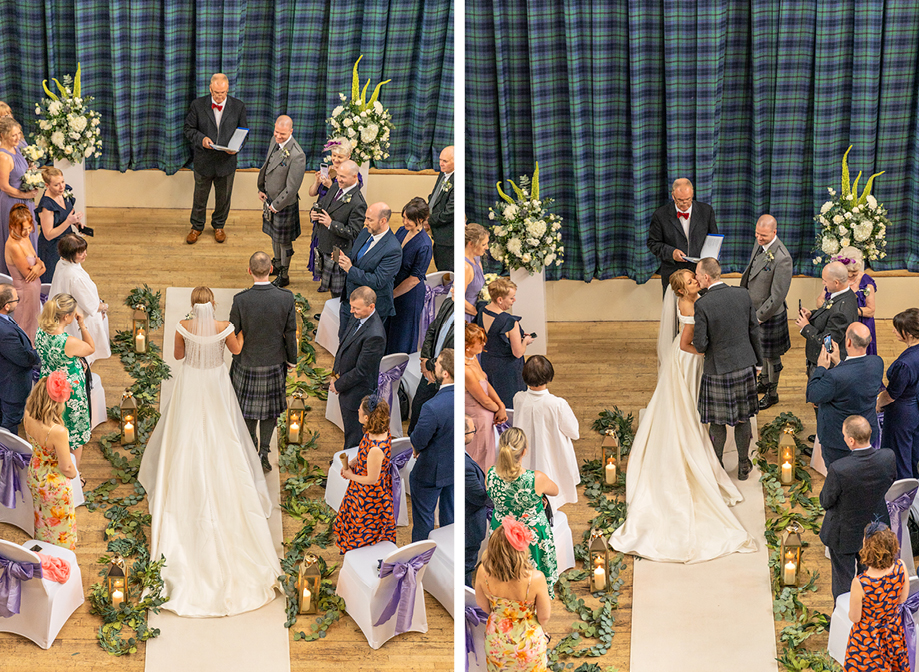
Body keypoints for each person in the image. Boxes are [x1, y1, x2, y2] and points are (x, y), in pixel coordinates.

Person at [138, 287, 281, 616]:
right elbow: (237, 349)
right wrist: (239, 333)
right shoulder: (225, 328)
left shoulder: (182, 327)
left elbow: (178, 357)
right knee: (223, 432)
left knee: (185, 431)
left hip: (191, 382)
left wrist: (193, 346)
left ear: (193, 305)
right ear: (213, 304)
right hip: (216, 383)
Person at [611, 270, 756, 562]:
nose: (695, 282)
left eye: (694, 278)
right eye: (690, 281)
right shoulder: (688, 306)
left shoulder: (699, 299)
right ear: (680, 291)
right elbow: (686, 344)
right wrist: (708, 354)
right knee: (689, 406)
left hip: (695, 357)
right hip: (689, 359)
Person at [693, 258, 762, 479]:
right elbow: (754, 330)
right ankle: (743, 465)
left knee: (717, 422)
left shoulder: (702, 304)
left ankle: (718, 466)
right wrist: (759, 362)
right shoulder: (742, 294)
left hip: (718, 369)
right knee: (743, 418)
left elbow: (701, 344)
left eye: (697, 275)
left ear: (706, 277)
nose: (695, 278)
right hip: (744, 365)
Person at [229, 253, 298, 472]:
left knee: (247, 410)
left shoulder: (241, 300)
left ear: (249, 271)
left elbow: (233, 331)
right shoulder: (286, 297)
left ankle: (251, 449)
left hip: (246, 363)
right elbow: (290, 332)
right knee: (270, 412)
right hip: (274, 362)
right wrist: (292, 360)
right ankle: (264, 454)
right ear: (271, 270)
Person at [819, 416, 896, 601]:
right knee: (869, 580)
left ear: (851, 440)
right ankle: (866, 611)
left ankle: (844, 615)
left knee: (843, 583)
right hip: (875, 528)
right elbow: (890, 481)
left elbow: (826, 501)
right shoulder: (888, 457)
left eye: (844, 435)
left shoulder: (839, 469)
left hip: (844, 532)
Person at [486, 428, 559, 598]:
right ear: (524, 451)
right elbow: (555, 490)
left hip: (501, 532)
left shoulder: (490, 473)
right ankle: (537, 598)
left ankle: (504, 595)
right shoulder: (536, 478)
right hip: (530, 536)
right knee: (533, 577)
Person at [474, 516, 551, 672]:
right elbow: (544, 617)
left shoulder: (482, 571)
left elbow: (483, 605)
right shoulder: (535, 578)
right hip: (529, 646)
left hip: (497, 642)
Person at [806, 323, 883, 467]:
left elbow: (813, 394)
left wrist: (821, 367)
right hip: (866, 432)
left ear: (848, 342)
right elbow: (853, 380)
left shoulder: (834, 376)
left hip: (839, 440)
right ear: (869, 340)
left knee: (839, 475)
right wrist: (839, 362)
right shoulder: (877, 363)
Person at [183, 73, 248, 244]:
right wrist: (201, 139)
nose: (220, 97)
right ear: (210, 89)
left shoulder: (238, 106)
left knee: (223, 198)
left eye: (223, 93)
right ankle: (196, 227)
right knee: (199, 197)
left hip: (226, 162)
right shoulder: (197, 105)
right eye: (217, 93)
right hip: (204, 161)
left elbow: (244, 132)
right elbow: (189, 129)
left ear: (228, 89)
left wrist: (237, 147)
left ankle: (219, 226)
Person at [739, 214, 793, 409]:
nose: (759, 238)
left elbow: (777, 296)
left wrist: (759, 317)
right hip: (753, 309)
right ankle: (763, 381)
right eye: (757, 233)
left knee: (772, 356)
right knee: (760, 350)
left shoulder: (783, 258)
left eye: (763, 235)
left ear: (774, 232)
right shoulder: (760, 242)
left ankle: (772, 393)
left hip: (769, 314)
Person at [512, 355, 580, 509]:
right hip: (552, 457)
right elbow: (574, 432)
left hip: (525, 459)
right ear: (549, 375)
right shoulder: (557, 404)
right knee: (551, 497)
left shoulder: (518, 398)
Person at [333, 394, 397, 553]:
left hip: (369, 496)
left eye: (360, 410)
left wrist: (350, 475)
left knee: (361, 528)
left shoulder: (376, 449)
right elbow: (363, 451)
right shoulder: (374, 430)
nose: (357, 410)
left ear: (367, 417)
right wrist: (353, 462)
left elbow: (372, 479)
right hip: (359, 487)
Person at [36, 294, 93, 469]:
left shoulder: (40, 331)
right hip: (68, 391)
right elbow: (90, 348)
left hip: (47, 385)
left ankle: (54, 460)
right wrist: (82, 325)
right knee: (75, 434)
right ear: (67, 317)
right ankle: (74, 475)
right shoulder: (68, 341)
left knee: (53, 424)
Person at [23, 372, 78, 550]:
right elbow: (66, 466)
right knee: (60, 529)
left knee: (42, 520)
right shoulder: (57, 431)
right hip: (54, 485)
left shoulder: (27, 414)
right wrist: (75, 473)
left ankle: (43, 552)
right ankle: (62, 556)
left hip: (35, 473)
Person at [845, 522, 909, 672]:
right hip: (893, 633)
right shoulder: (901, 566)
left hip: (869, 640)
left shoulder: (861, 582)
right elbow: (902, 599)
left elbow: (855, 617)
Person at [337, 201, 402, 342]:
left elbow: (377, 281)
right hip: (350, 300)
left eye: (369, 219)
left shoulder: (393, 249)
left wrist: (350, 269)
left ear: (383, 221)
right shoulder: (365, 232)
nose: (365, 222)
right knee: (343, 339)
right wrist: (344, 259)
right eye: (366, 218)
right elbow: (355, 256)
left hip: (370, 309)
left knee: (360, 344)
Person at [331, 286, 386, 451]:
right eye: (352, 306)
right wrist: (335, 372)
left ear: (371, 306)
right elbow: (344, 345)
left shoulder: (375, 335)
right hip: (347, 382)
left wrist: (338, 384)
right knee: (349, 428)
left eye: (356, 308)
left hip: (358, 392)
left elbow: (362, 371)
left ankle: (349, 461)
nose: (352, 311)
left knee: (355, 434)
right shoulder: (358, 316)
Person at [409, 348, 455, 542]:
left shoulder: (432, 407)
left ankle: (422, 555)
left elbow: (418, 439)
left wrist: (416, 447)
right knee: (450, 518)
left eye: (437, 363)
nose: (434, 364)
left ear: (445, 373)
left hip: (430, 471)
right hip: (455, 467)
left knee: (423, 520)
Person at [257, 115, 306, 288]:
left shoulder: (297, 155)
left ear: (291, 131)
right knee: (274, 236)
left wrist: (275, 205)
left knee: (284, 241)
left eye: (282, 134)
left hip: (283, 205)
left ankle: (284, 274)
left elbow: (292, 188)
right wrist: (262, 189)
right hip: (270, 200)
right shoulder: (274, 140)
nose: (278, 136)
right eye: (276, 132)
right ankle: (277, 264)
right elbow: (267, 167)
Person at [306, 137, 364, 281]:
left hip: (338, 223)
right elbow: (312, 193)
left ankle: (333, 283)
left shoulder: (351, 175)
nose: (336, 160)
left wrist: (330, 185)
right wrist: (317, 182)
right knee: (320, 249)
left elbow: (349, 197)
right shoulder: (328, 170)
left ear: (348, 156)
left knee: (335, 267)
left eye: (340, 157)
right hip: (323, 215)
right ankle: (323, 278)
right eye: (334, 156)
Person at [647, 178, 718, 293]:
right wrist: (671, 252)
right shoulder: (660, 215)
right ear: (673, 196)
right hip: (674, 275)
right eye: (680, 200)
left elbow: (714, 239)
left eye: (688, 199)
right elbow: (653, 243)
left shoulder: (706, 211)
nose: (684, 203)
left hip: (700, 275)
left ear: (692, 195)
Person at [49, 234, 111, 364]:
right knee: (85, 353)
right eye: (80, 253)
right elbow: (90, 304)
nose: (85, 255)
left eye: (84, 251)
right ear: (69, 254)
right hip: (80, 316)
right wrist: (104, 307)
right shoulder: (74, 277)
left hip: (64, 311)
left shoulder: (62, 262)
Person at [476, 277, 534, 409]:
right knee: (511, 405)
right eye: (511, 298)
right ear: (500, 299)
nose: (514, 300)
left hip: (487, 363)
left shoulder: (482, 311)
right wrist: (525, 341)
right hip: (507, 369)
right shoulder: (510, 321)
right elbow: (518, 353)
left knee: (493, 401)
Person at [313, 159, 367, 296]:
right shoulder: (335, 187)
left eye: (342, 176)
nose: (338, 179)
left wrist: (331, 224)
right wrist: (314, 213)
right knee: (327, 284)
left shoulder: (358, 203)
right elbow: (322, 205)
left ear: (355, 177)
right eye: (338, 175)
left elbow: (354, 232)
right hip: (324, 244)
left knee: (337, 291)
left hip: (338, 251)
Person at [385, 197, 432, 354]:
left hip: (409, 295)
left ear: (421, 220)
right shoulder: (401, 230)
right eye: (404, 217)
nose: (405, 222)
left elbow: (414, 279)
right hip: (393, 285)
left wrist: (393, 294)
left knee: (402, 335)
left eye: (409, 219)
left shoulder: (424, 244)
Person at [796, 261, 859, 376]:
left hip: (826, 367)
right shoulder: (844, 294)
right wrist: (812, 314)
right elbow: (829, 313)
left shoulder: (841, 311)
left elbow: (828, 344)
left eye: (825, 280)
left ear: (836, 282)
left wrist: (806, 327)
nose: (823, 283)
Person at [878, 308, 919, 480]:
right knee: (912, 452)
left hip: (901, 414)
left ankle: (904, 492)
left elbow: (892, 394)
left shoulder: (904, 364)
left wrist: (878, 403)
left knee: (899, 456)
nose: (893, 331)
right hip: (915, 409)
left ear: (908, 333)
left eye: (897, 328)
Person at [409, 286, 454, 434]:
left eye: (456, 288)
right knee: (418, 407)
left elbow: (451, 355)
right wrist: (426, 361)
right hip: (430, 369)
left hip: (446, 376)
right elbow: (431, 330)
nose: (451, 290)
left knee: (437, 418)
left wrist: (428, 365)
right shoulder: (449, 303)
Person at [0, 117, 40, 275]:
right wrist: (25, 194)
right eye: (13, 135)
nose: (18, 138)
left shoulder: (17, 149)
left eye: (18, 134)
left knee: (28, 235)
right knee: (17, 237)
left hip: (25, 201)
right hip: (12, 203)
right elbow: (4, 186)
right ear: (2, 135)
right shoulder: (3, 157)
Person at [821, 247, 878, 356]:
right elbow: (820, 300)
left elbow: (871, 311)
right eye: (848, 272)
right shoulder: (837, 280)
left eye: (854, 272)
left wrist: (847, 310)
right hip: (837, 324)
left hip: (861, 324)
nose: (851, 275)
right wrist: (830, 310)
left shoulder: (866, 283)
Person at [465, 322, 505, 472]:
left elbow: (485, 383)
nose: (483, 344)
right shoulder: (465, 370)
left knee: (488, 454)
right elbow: (483, 399)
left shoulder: (473, 358)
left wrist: (501, 405)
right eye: (480, 342)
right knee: (478, 455)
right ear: (467, 346)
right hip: (477, 419)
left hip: (486, 416)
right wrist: (498, 410)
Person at [0, 284, 40, 432]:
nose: (18, 302)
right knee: (10, 424)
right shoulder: (5, 332)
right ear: (6, 306)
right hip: (10, 386)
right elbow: (23, 359)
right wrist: (39, 353)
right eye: (16, 299)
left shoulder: (5, 322)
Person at [35, 166, 84, 283]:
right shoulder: (47, 206)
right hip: (52, 249)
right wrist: (68, 222)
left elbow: (67, 214)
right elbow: (48, 235)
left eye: (62, 182)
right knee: (55, 280)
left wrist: (76, 223)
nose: (62, 187)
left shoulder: (64, 191)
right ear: (47, 185)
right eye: (56, 185)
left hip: (67, 243)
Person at [4, 204, 43, 343]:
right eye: (23, 229)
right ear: (12, 226)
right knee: (24, 325)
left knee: (34, 324)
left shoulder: (25, 237)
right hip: (24, 292)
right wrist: (40, 266)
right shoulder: (14, 246)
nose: (27, 232)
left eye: (29, 228)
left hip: (34, 289)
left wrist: (38, 266)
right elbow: (28, 275)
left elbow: (39, 264)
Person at [465, 415, 492, 586]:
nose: (475, 433)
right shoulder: (465, 467)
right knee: (467, 565)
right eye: (472, 431)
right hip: (468, 524)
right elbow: (479, 497)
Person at [427, 146, 454, 271]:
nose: (440, 164)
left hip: (448, 238)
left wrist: (428, 220)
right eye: (440, 160)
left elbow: (449, 213)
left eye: (445, 161)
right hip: (438, 234)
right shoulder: (443, 174)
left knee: (446, 271)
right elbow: (434, 196)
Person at [464, 223, 488, 323]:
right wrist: (478, 314)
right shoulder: (465, 267)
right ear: (471, 244)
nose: (487, 247)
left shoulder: (477, 258)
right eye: (483, 244)